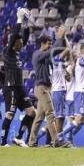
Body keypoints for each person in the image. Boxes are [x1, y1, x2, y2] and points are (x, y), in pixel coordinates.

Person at [28, 26, 70, 148]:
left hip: (46, 87)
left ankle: (31, 142)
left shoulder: (46, 56)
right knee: (51, 114)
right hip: (41, 88)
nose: (50, 46)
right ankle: (56, 141)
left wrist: (62, 39)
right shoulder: (37, 55)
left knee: (39, 117)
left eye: (52, 43)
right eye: (49, 44)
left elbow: (57, 51)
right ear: (42, 44)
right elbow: (53, 51)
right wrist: (59, 37)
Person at [1, 8, 36, 147]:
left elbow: (24, 37)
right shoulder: (8, 51)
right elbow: (16, 34)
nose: (22, 42)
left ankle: (19, 137)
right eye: (20, 40)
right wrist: (19, 20)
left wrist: (26, 25)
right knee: (10, 114)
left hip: (20, 87)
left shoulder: (16, 53)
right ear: (14, 42)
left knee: (32, 112)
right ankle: (3, 143)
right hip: (10, 87)